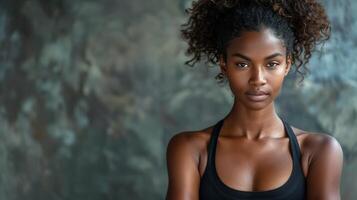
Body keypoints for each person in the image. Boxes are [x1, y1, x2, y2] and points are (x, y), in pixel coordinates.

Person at [165, 0, 344, 199]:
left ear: (287, 65)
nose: (257, 79)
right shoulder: (190, 149)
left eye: (272, 64)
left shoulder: (319, 151)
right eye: (242, 64)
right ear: (224, 64)